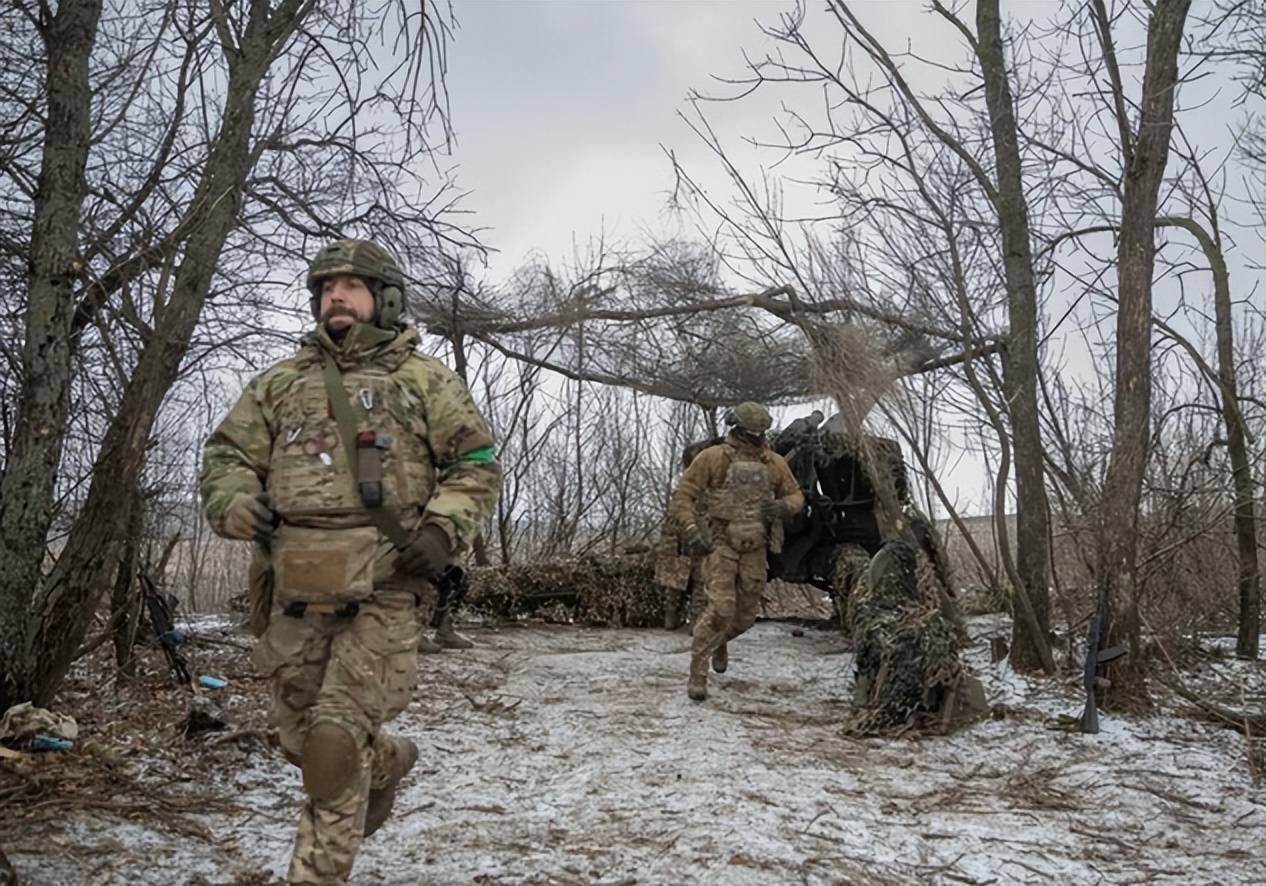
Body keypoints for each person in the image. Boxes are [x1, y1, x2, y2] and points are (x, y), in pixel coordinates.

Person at [200, 239, 501, 884]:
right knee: (296, 737)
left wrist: (444, 531)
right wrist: (234, 503)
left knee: (334, 746)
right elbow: (225, 457)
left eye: (351, 285)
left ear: (384, 299)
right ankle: (387, 759)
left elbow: (475, 464)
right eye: (326, 286)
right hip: (293, 589)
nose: (335, 295)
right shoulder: (278, 384)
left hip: (388, 585)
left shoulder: (424, 380)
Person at [668, 402, 805, 701]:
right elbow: (683, 495)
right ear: (737, 428)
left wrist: (784, 506)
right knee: (720, 609)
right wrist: (691, 529)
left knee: (744, 618)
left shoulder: (774, 463)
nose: (755, 437)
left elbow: (796, 495)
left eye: (760, 432)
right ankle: (698, 673)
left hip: (755, 546)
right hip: (721, 544)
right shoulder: (713, 458)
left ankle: (719, 641)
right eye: (750, 431)